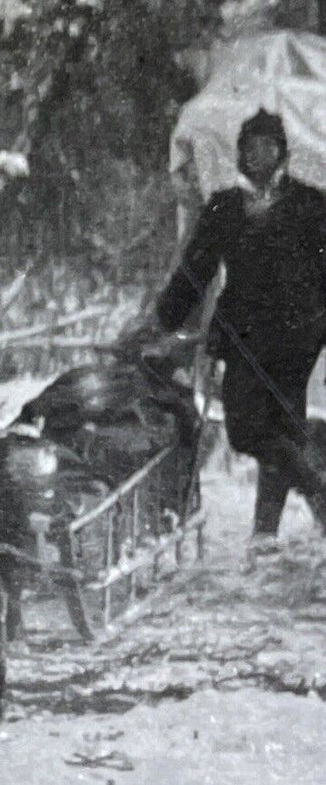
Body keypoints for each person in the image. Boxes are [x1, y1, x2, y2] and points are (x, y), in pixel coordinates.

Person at [152, 107, 326, 544]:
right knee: (247, 429)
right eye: (251, 147)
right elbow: (196, 269)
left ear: (283, 153)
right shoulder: (225, 207)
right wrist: (165, 317)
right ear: (240, 155)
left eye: (268, 146)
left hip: (297, 336)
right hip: (243, 336)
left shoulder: (310, 204)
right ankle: (317, 491)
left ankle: (264, 532)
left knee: (281, 425)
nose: (259, 155)